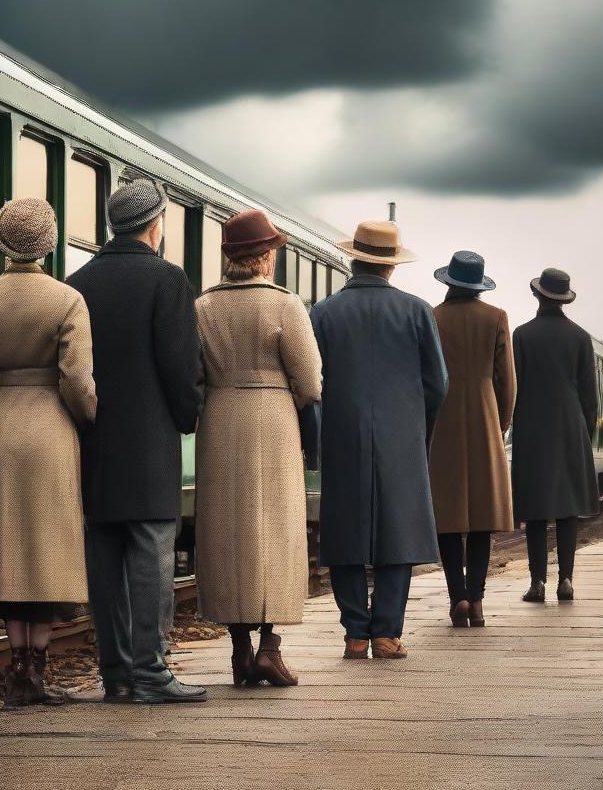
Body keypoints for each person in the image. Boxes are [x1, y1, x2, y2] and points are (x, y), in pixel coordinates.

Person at [0, 197, 97, 707]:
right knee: (45, 547)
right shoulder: (66, 300)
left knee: (7, 548)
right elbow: (77, 380)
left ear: (1, 243)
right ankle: (39, 669)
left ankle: (17, 670)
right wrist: (87, 415)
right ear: (49, 243)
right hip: (50, 427)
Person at [67, 179, 206, 704]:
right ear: (156, 223)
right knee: (151, 551)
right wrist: (186, 416)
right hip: (149, 441)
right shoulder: (167, 280)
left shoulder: (78, 281)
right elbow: (180, 365)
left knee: (105, 553)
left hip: (95, 437)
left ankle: (117, 674)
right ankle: (151, 672)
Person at [194, 210, 323, 687]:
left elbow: (196, 375)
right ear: (266, 256)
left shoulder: (203, 307)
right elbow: (310, 381)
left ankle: (239, 650)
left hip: (220, 419)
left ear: (230, 258)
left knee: (226, 532)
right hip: (273, 421)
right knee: (275, 531)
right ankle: (270, 645)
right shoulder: (286, 305)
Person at [309, 220, 448, 660]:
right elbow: (438, 383)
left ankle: (355, 634)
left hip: (342, 433)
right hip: (401, 436)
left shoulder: (324, 312)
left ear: (354, 260)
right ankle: (387, 634)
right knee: (399, 529)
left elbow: (313, 382)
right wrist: (415, 423)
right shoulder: (417, 311)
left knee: (345, 529)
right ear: (391, 266)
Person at [428, 251, 516, 628]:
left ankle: (457, 597)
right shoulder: (496, 317)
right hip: (484, 416)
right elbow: (506, 380)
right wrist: (502, 422)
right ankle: (477, 600)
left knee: (448, 516)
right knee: (482, 516)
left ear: (449, 281)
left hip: (443, 419)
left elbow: (427, 376)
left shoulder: (433, 317)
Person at [510, 267, 599, 603]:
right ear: (565, 299)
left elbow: (514, 390)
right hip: (571, 427)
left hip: (533, 428)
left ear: (537, 295)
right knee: (567, 509)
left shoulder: (522, 335)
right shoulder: (580, 337)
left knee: (534, 509)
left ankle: (537, 584)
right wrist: (583, 435)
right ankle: (566, 580)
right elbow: (590, 399)